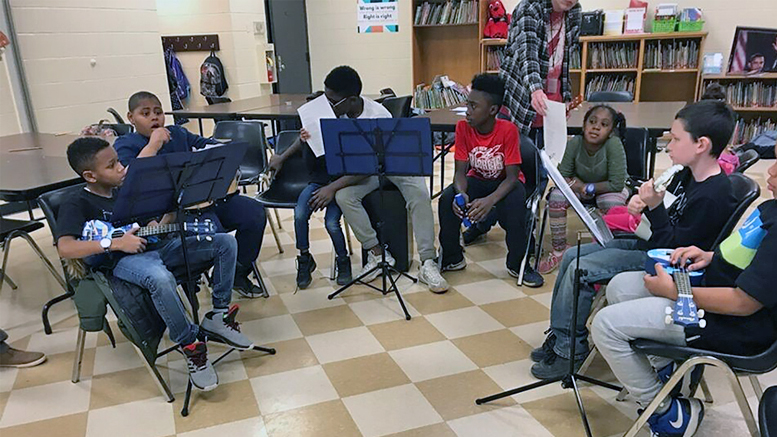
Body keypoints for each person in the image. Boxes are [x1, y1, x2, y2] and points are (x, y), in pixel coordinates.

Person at [530, 100, 738, 380]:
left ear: (701, 144)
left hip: (664, 265)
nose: (669, 146)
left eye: (676, 139)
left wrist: (655, 208)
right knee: (571, 255)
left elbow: (673, 249)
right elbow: (664, 221)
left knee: (581, 269)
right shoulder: (686, 174)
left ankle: (571, 350)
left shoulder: (715, 194)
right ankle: (559, 336)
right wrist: (643, 204)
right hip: (650, 246)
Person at [591, 141, 777, 437]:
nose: (771, 170)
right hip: (713, 298)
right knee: (621, 286)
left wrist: (676, 293)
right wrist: (710, 256)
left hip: (733, 327)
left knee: (605, 326)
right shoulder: (770, 209)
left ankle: (668, 413)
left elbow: (744, 303)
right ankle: (669, 372)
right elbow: (751, 260)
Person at [57, 137, 254, 391]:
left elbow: (151, 227)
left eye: (118, 160)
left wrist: (162, 218)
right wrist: (115, 244)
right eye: (112, 165)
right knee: (160, 278)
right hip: (120, 261)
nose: (121, 168)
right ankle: (190, 345)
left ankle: (218, 315)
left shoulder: (126, 191)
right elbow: (65, 247)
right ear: (90, 176)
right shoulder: (77, 202)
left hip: (153, 246)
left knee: (225, 242)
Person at [309, 66, 449, 294]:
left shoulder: (378, 115)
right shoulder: (336, 115)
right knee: (345, 196)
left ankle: (427, 262)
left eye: (332, 100)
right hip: (367, 171)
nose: (328, 104)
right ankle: (378, 254)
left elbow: (371, 164)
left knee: (420, 194)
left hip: (393, 166)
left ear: (352, 100)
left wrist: (331, 187)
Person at [113, 91, 267, 298]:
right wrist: (154, 144)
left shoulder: (177, 133)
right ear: (131, 118)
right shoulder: (125, 143)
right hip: (166, 212)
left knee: (253, 212)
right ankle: (215, 288)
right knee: (215, 233)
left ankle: (239, 272)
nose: (154, 117)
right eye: (145, 113)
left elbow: (209, 147)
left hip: (204, 198)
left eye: (158, 112)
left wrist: (219, 152)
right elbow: (130, 177)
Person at [438, 74, 543, 287]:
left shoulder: (508, 130)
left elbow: (513, 177)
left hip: (506, 183)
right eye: (468, 104)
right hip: (477, 179)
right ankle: (453, 257)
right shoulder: (462, 128)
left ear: (493, 110)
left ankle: (517, 263)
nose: (468, 111)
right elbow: (460, 172)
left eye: (474, 106)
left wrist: (490, 201)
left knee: (515, 203)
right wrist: (461, 193)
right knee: (446, 198)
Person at [268, 96, 351, 290]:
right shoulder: (308, 137)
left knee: (332, 223)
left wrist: (332, 189)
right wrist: (306, 143)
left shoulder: (343, 130)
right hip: (316, 183)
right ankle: (304, 258)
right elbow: (310, 167)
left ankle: (343, 260)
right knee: (299, 214)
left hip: (338, 185)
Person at [537, 105, 629, 274]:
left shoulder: (613, 144)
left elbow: (616, 183)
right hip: (580, 187)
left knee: (610, 202)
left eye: (603, 124)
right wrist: (579, 186)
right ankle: (559, 250)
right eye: (592, 122)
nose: (596, 127)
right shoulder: (575, 143)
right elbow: (562, 176)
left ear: (610, 131)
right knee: (556, 196)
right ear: (584, 124)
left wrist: (588, 186)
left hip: (607, 189)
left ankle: (607, 248)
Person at [500, 0, 581, 143]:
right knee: (520, 158)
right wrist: (536, 89)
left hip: (551, 106)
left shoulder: (574, 11)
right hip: (522, 101)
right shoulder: (529, 7)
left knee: (548, 160)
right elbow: (527, 54)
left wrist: (566, 97)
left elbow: (565, 59)